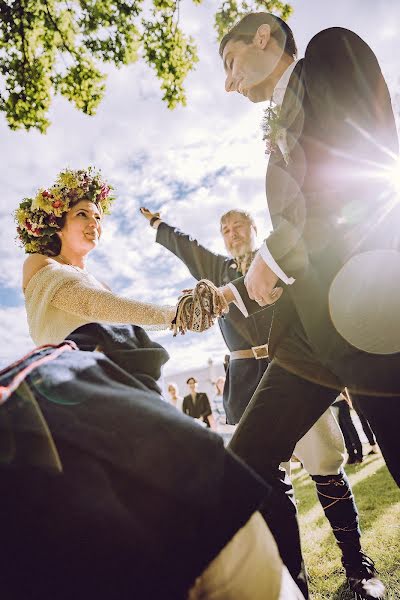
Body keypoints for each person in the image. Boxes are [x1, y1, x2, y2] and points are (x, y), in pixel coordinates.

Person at [1, 167, 305, 599]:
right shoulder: (39, 266)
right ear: (57, 222)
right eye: (83, 215)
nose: (94, 224)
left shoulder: (92, 274)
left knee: (187, 511)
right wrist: (174, 314)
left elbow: (113, 315)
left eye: (98, 218)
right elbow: (99, 305)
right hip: (76, 400)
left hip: (118, 393)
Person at [210, 12, 400, 599]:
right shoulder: (278, 129)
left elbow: (354, 174)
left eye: (231, 63)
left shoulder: (329, 52)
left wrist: (276, 252)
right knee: (239, 466)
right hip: (310, 330)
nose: (229, 83)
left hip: (369, 309)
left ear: (265, 37)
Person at [141, 205, 381, 593]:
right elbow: (184, 245)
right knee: (263, 478)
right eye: (225, 228)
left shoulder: (281, 259)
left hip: (297, 374)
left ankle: (357, 566)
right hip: (247, 386)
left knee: (324, 466)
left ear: (254, 227)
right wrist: (158, 224)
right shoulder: (217, 269)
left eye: (238, 225)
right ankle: (295, 582)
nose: (232, 232)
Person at [210, 376, 235, 445]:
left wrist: (230, 419)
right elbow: (214, 410)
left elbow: (233, 408)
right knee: (225, 443)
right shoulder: (214, 397)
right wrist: (220, 420)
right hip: (221, 424)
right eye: (219, 383)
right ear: (217, 385)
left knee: (233, 441)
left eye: (222, 382)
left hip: (231, 423)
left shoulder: (231, 395)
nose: (221, 384)